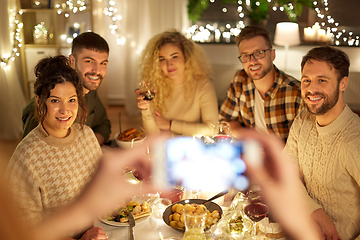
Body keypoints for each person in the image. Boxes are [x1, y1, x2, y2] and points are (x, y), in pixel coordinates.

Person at [6, 55, 106, 240]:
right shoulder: (27, 156)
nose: (65, 110)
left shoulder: (87, 136)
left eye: (71, 100)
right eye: (54, 100)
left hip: (99, 228)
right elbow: (23, 229)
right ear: (39, 101)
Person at [284, 46, 360, 239]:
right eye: (306, 80)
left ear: (343, 84)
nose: (311, 89)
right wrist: (313, 211)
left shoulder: (354, 139)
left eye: (322, 80)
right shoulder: (302, 121)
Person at [22, 32, 111, 145]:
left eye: (103, 63)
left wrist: (91, 145)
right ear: (72, 61)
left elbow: (103, 124)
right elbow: (30, 150)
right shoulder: (40, 106)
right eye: (89, 61)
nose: (97, 70)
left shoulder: (89, 89)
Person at [219, 25, 302, 143]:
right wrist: (255, 139)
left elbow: (303, 146)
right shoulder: (240, 81)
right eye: (245, 56)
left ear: (272, 54)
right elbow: (224, 123)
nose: (252, 61)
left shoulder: (296, 92)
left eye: (259, 53)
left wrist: (270, 151)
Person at [136, 29, 218, 136]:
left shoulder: (203, 85)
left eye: (174, 57)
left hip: (192, 148)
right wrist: (145, 110)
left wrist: (171, 125)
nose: (169, 64)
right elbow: (153, 135)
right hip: (163, 147)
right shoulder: (153, 87)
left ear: (186, 57)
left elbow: (212, 129)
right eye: (162, 59)